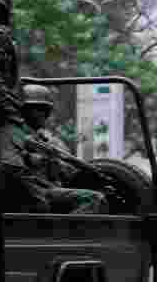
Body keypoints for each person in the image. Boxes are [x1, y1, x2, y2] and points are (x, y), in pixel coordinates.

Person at [16, 83, 108, 214]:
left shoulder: (48, 139)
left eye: (44, 110)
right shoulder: (16, 135)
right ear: (23, 111)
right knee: (93, 199)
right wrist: (34, 158)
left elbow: (67, 173)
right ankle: (67, 233)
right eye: (35, 109)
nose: (41, 114)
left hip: (51, 189)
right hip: (34, 192)